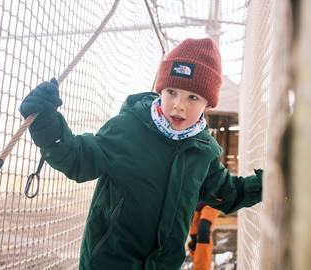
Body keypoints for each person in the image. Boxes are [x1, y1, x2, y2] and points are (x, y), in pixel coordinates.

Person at [20, 37, 263, 270]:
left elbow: (228, 193)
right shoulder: (128, 128)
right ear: (160, 91)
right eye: (171, 92)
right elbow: (79, 159)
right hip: (109, 262)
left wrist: (269, 183)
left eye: (192, 97)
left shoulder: (204, 152)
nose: (179, 104)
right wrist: (46, 126)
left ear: (207, 104)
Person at [187, 201, 220, 270]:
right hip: (195, 205)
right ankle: (196, 255)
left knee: (204, 231)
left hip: (212, 202)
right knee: (194, 240)